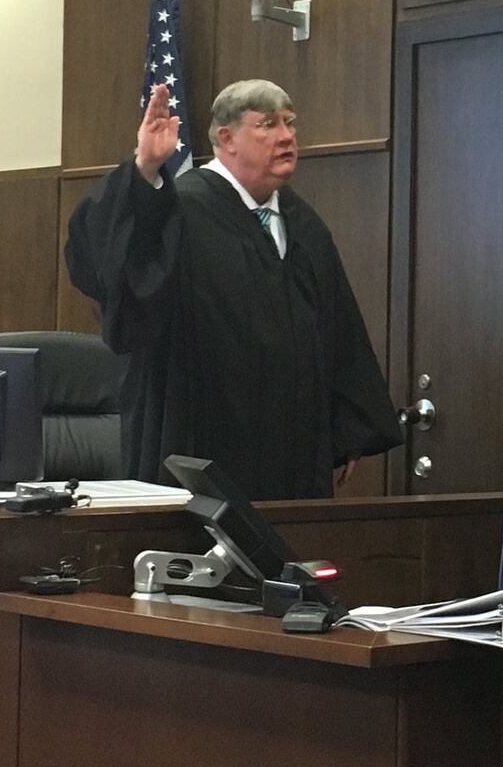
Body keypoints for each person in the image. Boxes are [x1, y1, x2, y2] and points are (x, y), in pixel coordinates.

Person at [65, 78, 402, 500]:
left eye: (289, 123)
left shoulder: (300, 220)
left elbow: (337, 324)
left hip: (293, 450)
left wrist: (348, 422)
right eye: (266, 125)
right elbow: (107, 260)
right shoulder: (180, 210)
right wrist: (145, 168)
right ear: (227, 138)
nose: (285, 136)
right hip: (202, 443)